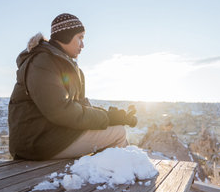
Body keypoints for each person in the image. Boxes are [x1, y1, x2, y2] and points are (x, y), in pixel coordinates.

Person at [8, 13, 137, 160]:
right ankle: (116, 179)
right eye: (80, 37)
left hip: (53, 135)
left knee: (115, 128)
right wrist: (107, 119)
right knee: (118, 133)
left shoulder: (66, 65)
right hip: (36, 143)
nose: (83, 45)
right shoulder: (42, 62)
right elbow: (61, 110)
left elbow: (79, 106)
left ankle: (103, 176)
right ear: (66, 36)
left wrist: (111, 116)